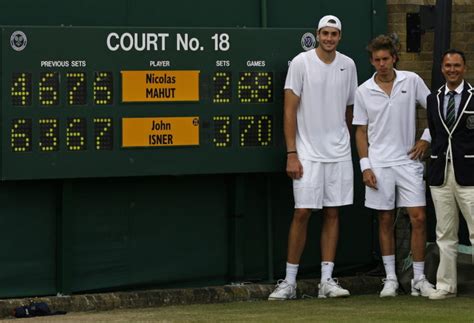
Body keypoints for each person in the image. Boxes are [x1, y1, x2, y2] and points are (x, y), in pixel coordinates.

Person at [268, 15, 357, 300]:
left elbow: (349, 110)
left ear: (339, 37)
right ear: (317, 35)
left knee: (333, 212)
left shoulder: (349, 65)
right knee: (302, 212)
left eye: (334, 34)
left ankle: (326, 281)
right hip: (306, 153)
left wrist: (344, 142)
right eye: (325, 33)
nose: (329, 38)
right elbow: (289, 110)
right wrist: (292, 153)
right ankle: (289, 282)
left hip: (339, 153)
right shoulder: (301, 63)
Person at [353, 35, 436, 297]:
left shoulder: (411, 81)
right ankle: (390, 278)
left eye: (385, 59)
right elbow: (360, 131)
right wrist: (366, 166)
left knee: (419, 218)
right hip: (378, 164)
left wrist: (425, 139)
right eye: (377, 60)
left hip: (408, 161)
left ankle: (419, 279)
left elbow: (435, 111)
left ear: (394, 58)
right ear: (372, 61)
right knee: (385, 219)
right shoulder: (363, 90)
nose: (381, 64)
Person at [426, 49, 474, 300]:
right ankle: (446, 286)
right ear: (442, 68)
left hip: (470, 173)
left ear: (464, 68)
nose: (452, 69)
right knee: (444, 233)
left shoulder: (473, 96)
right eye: (448, 65)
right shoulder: (433, 98)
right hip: (441, 173)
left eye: (457, 65)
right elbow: (436, 133)